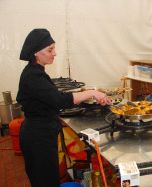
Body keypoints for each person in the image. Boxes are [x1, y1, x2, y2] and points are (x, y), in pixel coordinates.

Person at [17, 29, 111, 186]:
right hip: (38, 138)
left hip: (41, 133)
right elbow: (59, 100)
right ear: (36, 53)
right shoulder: (33, 76)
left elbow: (51, 97)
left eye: (54, 48)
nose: (55, 53)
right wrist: (92, 92)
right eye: (50, 49)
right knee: (45, 181)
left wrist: (86, 96)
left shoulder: (36, 71)